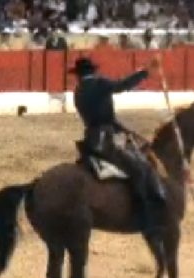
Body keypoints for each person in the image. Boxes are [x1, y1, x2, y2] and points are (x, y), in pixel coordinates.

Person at [71, 56, 167, 245]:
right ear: (93, 71)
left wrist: (123, 128)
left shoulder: (78, 91)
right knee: (141, 168)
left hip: (91, 139)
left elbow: (99, 116)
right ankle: (146, 215)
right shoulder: (100, 84)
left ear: (78, 75)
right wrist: (145, 72)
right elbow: (122, 85)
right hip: (105, 140)